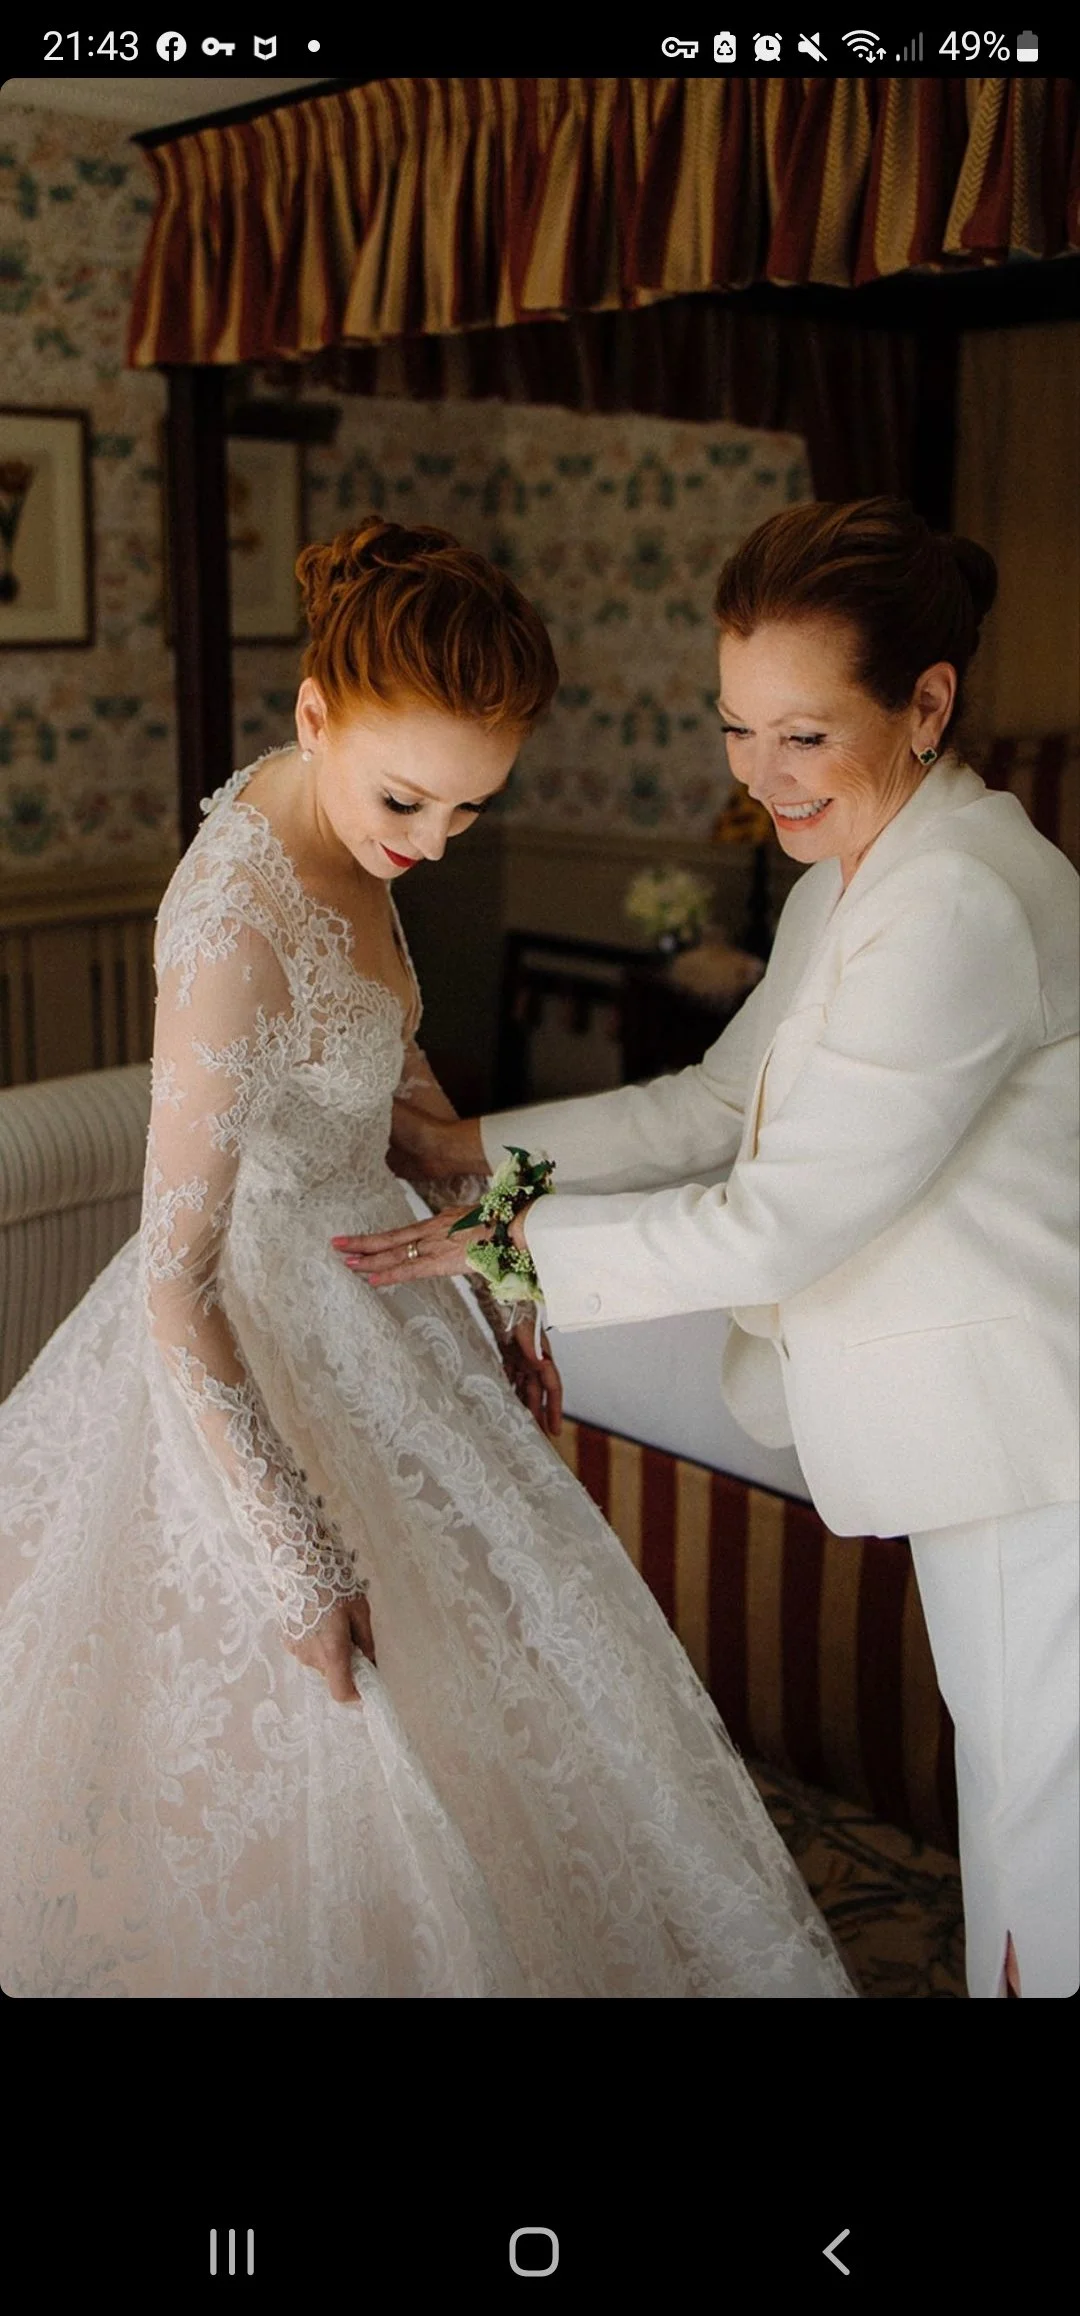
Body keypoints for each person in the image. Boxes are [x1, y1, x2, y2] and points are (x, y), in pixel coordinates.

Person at [0, 516, 854, 1998]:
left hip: (381, 1311)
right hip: (248, 1350)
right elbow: (171, 1279)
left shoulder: (361, 825)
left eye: (470, 813)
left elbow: (397, 1105)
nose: (433, 842)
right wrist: (297, 1561)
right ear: (313, 713)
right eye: (411, 801)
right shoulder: (230, 919)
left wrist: (503, 1278)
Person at [354, 499, 1080, 2002]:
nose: (759, 779)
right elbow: (714, 1102)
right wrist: (471, 1148)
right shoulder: (856, 880)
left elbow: (782, 1213)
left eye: (803, 736)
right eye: (738, 729)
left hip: (1043, 1439)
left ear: (928, 700)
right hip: (996, 1437)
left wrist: (507, 1246)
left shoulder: (958, 898)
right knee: (1025, 1814)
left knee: (1049, 1837)